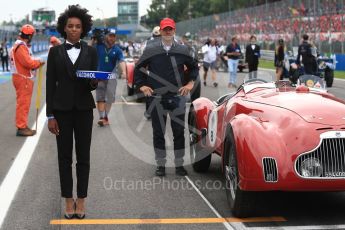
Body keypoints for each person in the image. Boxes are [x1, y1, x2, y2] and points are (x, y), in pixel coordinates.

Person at [46, 4, 98, 219]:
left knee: (83, 157)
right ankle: (68, 199)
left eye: (78, 26)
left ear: (83, 28)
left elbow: (93, 82)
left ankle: (82, 200)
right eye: (70, 26)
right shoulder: (55, 52)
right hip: (62, 111)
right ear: (64, 28)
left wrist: (94, 82)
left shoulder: (92, 51)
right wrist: (50, 115)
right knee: (64, 158)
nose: (74, 29)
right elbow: (50, 85)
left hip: (85, 110)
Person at [134, 18, 199, 177]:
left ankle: (179, 165)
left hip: (177, 96)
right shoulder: (151, 48)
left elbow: (194, 68)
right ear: (161, 31)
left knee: (178, 132)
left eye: (170, 29)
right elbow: (138, 68)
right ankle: (161, 165)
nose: (168, 32)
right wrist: (141, 85)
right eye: (165, 29)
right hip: (156, 96)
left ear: (174, 30)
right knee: (159, 132)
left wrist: (190, 84)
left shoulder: (183, 49)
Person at [10, 24, 45, 136]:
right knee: (23, 103)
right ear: (29, 35)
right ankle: (21, 127)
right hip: (22, 78)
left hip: (20, 77)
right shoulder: (21, 46)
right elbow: (28, 63)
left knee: (23, 103)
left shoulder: (19, 45)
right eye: (32, 35)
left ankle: (22, 125)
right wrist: (39, 62)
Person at [93, 28, 126, 126]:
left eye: (114, 36)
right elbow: (87, 51)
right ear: (105, 36)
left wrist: (124, 71)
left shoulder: (117, 50)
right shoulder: (98, 46)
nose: (112, 38)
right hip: (99, 76)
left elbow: (121, 61)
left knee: (109, 99)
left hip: (111, 77)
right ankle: (102, 117)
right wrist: (93, 39)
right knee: (100, 98)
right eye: (110, 36)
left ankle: (105, 117)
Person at [142, 26, 161, 120]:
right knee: (150, 91)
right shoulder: (148, 43)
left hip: (156, 70)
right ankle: (149, 112)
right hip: (152, 69)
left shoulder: (147, 43)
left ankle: (151, 112)